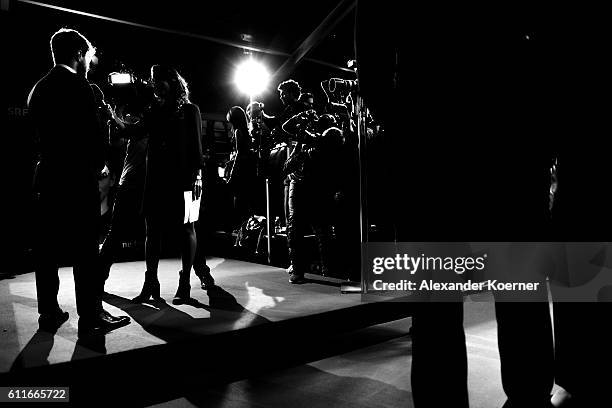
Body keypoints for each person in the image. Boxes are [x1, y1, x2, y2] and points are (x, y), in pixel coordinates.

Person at [27, 28, 130, 337]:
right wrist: (102, 169)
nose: (88, 62)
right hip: (78, 179)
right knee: (86, 250)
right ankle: (91, 314)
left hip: (47, 178)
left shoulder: (38, 89)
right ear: (77, 55)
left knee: (46, 251)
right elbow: (92, 138)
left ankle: (48, 312)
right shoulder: (81, 87)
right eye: (86, 56)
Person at [133, 65, 204, 305]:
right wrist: (115, 119)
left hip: (185, 177)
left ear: (171, 81)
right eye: (152, 81)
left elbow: (197, 148)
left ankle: (184, 283)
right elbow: (137, 130)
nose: (154, 85)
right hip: (156, 178)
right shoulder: (154, 110)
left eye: (158, 80)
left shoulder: (189, 110)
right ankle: (151, 282)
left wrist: (197, 178)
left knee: (187, 228)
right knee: (151, 230)